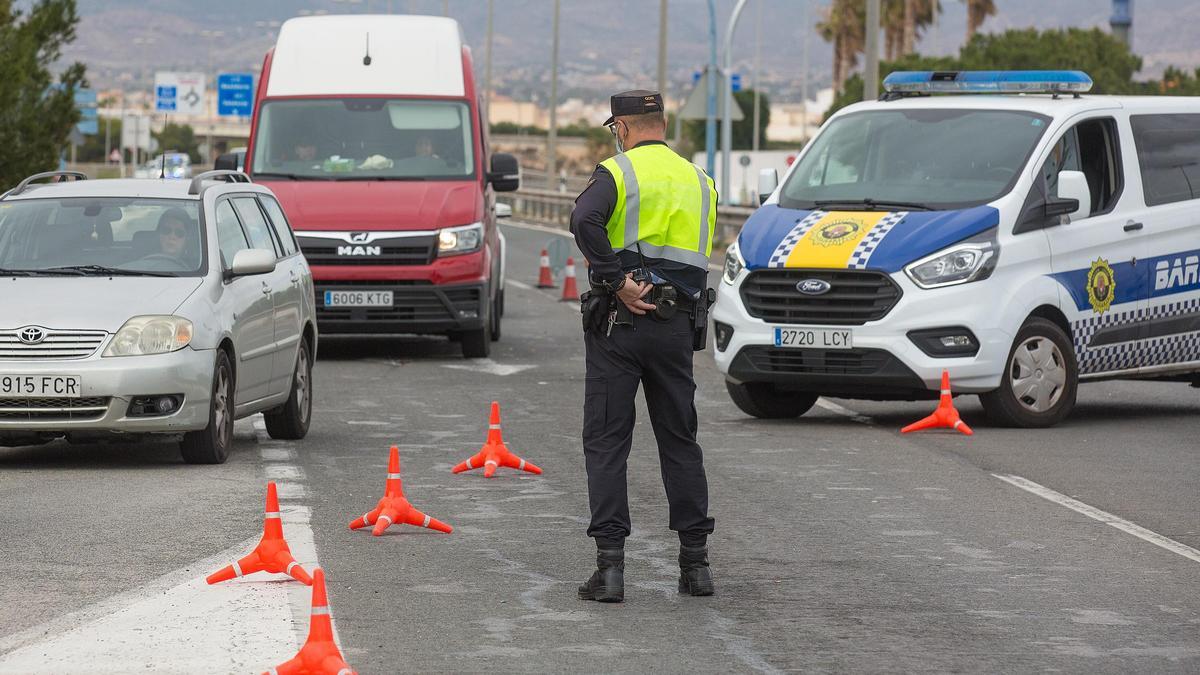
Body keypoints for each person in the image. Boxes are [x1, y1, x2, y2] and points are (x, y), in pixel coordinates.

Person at [570, 90, 718, 603]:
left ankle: (610, 571)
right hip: (677, 326)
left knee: (608, 441)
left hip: (622, 323)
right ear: (662, 124)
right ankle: (695, 567)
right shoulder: (701, 181)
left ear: (623, 128)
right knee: (680, 439)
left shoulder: (618, 172)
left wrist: (615, 280)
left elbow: (583, 221)